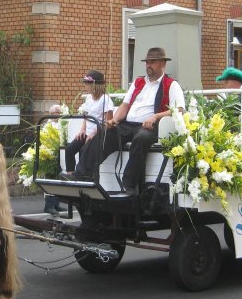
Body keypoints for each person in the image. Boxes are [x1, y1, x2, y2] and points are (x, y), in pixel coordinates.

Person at [68, 47, 184, 195]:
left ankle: (129, 183)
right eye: (147, 62)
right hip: (128, 123)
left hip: (149, 126)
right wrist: (114, 120)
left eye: (153, 62)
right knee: (104, 134)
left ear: (163, 64)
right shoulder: (138, 82)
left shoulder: (171, 84)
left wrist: (156, 116)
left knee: (141, 139)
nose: (149, 65)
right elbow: (125, 105)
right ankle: (82, 175)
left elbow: (179, 109)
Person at [64, 70, 114, 173]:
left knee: (84, 151)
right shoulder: (89, 99)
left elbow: (108, 121)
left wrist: (93, 134)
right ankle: (70, 175)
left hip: (98, 134)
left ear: (95, 85)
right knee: (69, 149)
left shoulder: (106, 100)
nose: (85, 87)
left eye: (87, 84)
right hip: (87, 133)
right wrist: (82, 130)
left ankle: (83, 178)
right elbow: (86, 116)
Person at [43, 104, 66, 216]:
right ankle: (49, 206)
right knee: (50, 180)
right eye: (56, 113)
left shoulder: (61, 124)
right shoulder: (48, 125)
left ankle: (56, 204)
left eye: (59, 113)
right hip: (50, 155)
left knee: (58, 180)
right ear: (51, 114)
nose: (58, 115)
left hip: (60, 155)